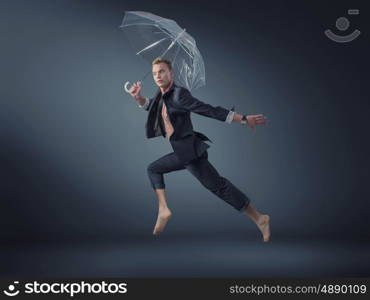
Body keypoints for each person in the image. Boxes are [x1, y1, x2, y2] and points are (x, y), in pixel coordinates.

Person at [127, 57, 271, 242]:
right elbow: (154, 108)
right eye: (155, 73)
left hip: (189, 153)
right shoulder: (163, 93)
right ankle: (260, 218)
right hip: (186, 150)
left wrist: (243, 119)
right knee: (216, 185)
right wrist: (138, 98)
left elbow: (208, 110)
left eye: (161, 71)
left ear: (171, 73)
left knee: (214, 185)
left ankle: (260, 219)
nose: (158, 76)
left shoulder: (179, 94)